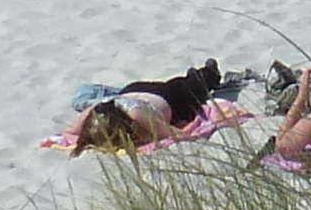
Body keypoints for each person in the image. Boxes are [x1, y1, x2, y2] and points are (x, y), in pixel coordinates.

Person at [65, 58, 230, 153]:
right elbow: (69, 133)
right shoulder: (94, 110)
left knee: (196, 88)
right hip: (130, 90)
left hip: (170, 97)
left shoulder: (139, 116)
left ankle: (209, 72)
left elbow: (179, 134)